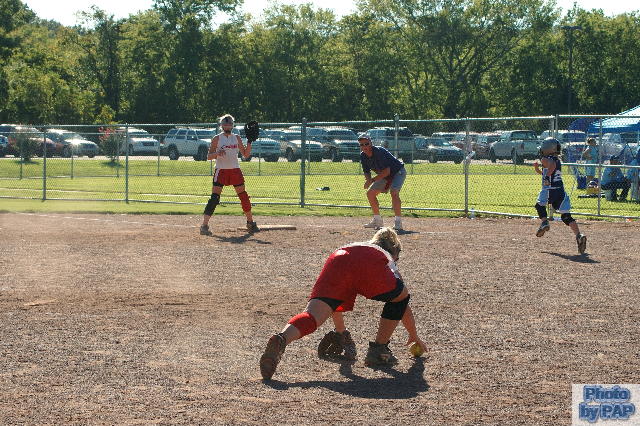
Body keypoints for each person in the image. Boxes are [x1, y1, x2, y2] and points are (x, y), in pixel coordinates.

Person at [259, 227, 427, 381]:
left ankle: (282, 338)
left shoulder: (355, 246)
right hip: (368, 264)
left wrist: (341, 331)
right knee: (401, 296)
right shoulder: (385, 257)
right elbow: (402, 301)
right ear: (394, 250)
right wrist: (414, 335)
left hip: (337, 258)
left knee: (312, 315)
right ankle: (378, 350)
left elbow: (336, 302)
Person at [199, 114, 258, 235]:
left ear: (232, 125)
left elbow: (246, 155)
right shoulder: (217, 138)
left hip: (235, 170)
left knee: (243, 196)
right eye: (225, 123)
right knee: (214, 198)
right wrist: (217, 153)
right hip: (221, 170)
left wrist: (249, 142)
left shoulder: (236, 138)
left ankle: (250, 222)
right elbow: (208, 156)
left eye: (230, 123)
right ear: (221, 125)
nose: (227, 125)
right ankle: (204, 225)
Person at [533, 137, 587, 254]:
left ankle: (544, 222)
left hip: (550, 190)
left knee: (539, 206)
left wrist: (547, 177)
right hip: (560, 191)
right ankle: (579, 235)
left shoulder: (546, 159)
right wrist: (538, 170)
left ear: (548, 148)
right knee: (566, 216)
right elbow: (548, 171)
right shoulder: (557, 160)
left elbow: (550, 167)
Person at [358, 134, 407, 230]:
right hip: (384, 175)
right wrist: (368, 180)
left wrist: (372, 180)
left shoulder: (378, 152)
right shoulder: (363, 155)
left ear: (371, 143)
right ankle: (377, 220)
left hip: (397, 172)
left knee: (394, 192)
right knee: (370, 194)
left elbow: (387, 171)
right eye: (361, 145)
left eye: (366, 143)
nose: (364, 146)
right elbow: (366, 171)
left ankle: (398, 222)